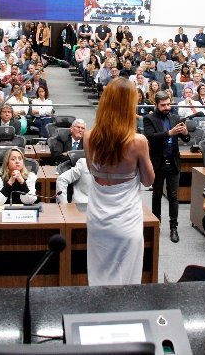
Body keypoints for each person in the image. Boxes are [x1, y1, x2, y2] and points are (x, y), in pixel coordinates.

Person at [85, 77, 155, 285]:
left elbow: (92, 170)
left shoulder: (89, 137)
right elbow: (148, 180)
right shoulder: (138, 142)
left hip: (98, 219)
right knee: (127, 280)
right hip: (126, 220)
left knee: (99, 275)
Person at [144, 90, 188, 243]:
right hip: (157, 163)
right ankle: (156, 225)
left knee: (173, 197)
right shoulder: (149, 119)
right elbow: (150, 138)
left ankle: (173, 228)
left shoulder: (175, 117)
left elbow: (186, 139)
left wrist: (186, 132)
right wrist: (169, 132)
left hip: (173, 162)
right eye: (163, 105)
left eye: (169, 104)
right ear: (156, 104)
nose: (167, 107)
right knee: (156, 195)